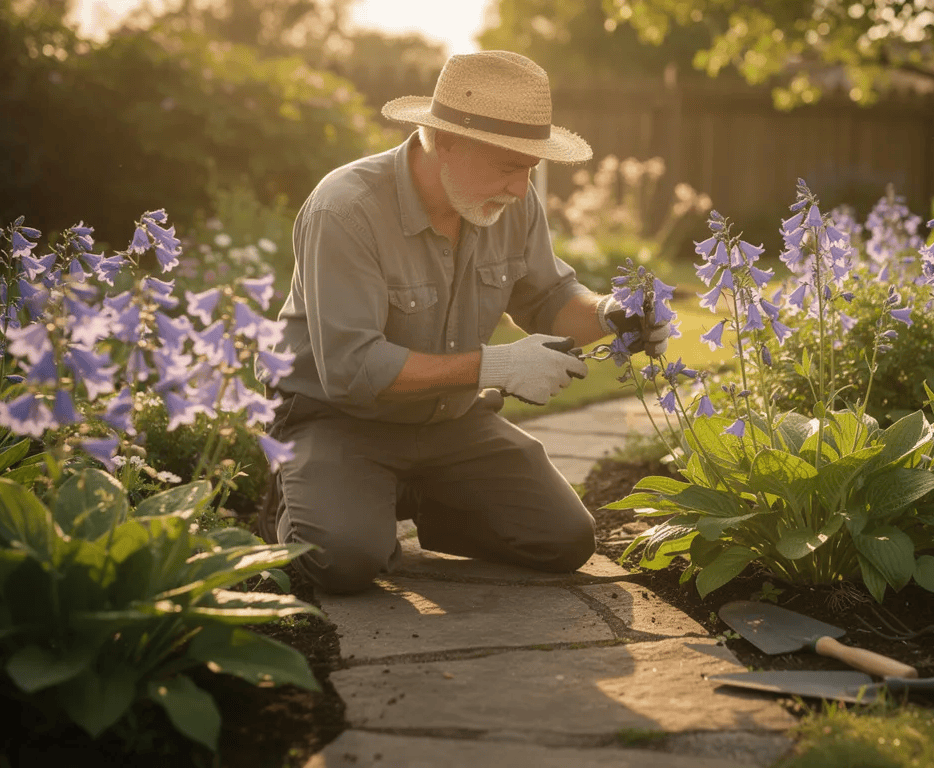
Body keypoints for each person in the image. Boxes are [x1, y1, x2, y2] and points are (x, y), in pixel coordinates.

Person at [257, 50, 671, 594]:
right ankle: (311, 498)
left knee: (564, 540)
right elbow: (350, 368)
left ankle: (395, 500)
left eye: (531, 169)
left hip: (450, 423)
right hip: (337, 419)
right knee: (343, 560)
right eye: (508, 166)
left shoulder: (508, 203)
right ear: (444, 141)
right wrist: (495, 365)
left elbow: (547, 296)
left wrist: (611, 315)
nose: (522, 189)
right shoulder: (346, 210)